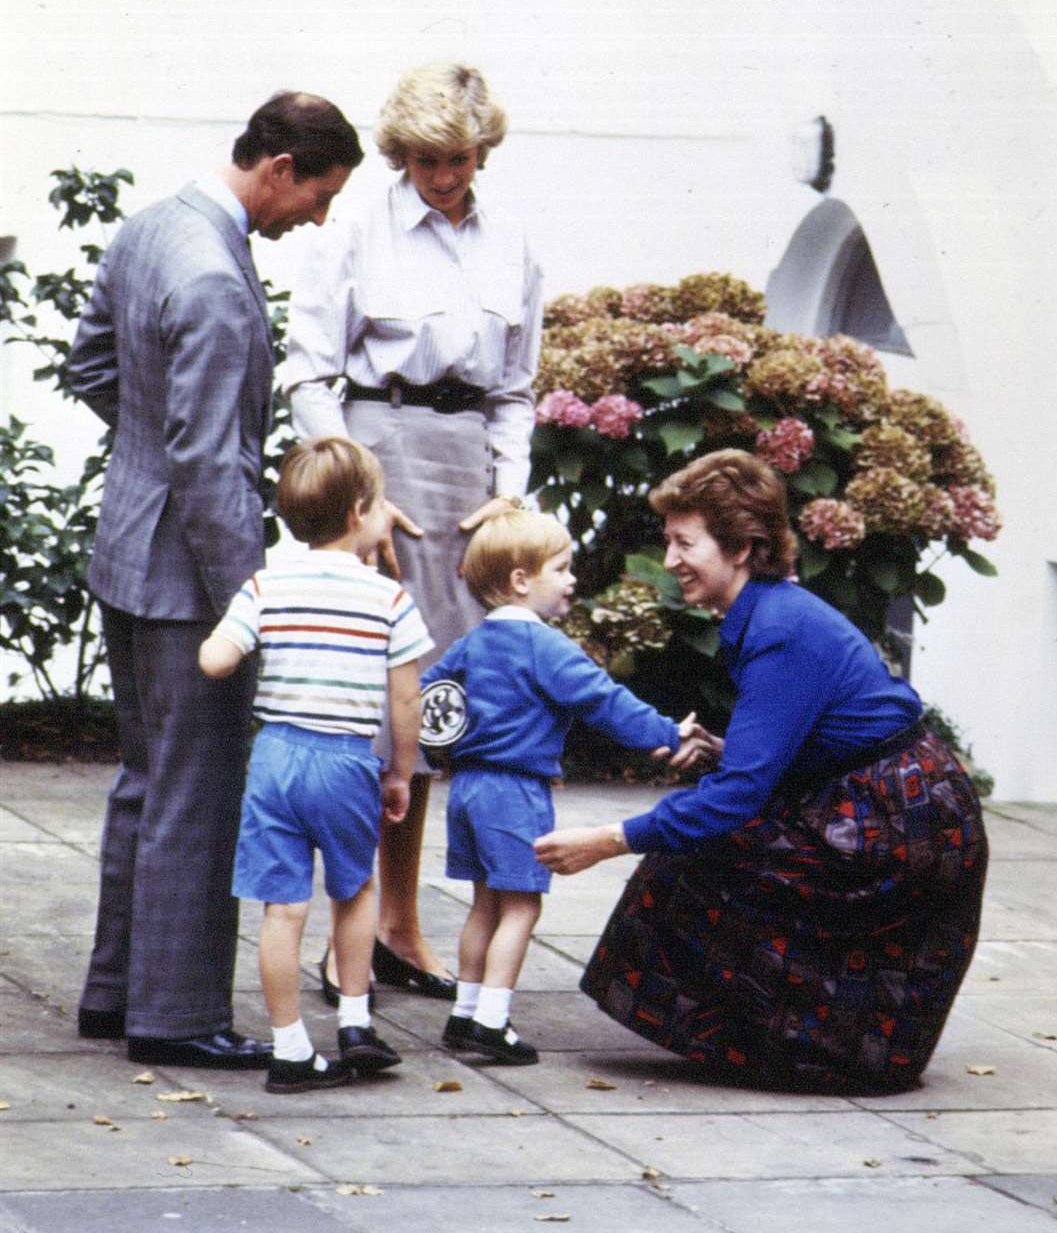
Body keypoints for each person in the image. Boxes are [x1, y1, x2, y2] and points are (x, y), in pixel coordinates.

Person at [536, 450, 990, 1095]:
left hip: (902, 826)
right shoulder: (774, 612)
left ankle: (816, 1050)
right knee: (702, 841)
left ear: (742, 548)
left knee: (693, 848)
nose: (671, 561)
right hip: (902, 809)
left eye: (684, 543)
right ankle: (812, 1044)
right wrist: (732, 751)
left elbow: (734, 800)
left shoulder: (778, 627)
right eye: (670, 542)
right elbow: (796, 744)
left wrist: (604, 840)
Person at [68, 92, 363, 1069]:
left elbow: (94, 368)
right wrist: (256, 599)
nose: (316, 217)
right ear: (276, 166)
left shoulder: (151, 228)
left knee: (145, 784)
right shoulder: (214, 280)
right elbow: (206, 463)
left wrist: (148, 458)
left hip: (129, 549)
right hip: (188, 578)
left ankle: (118, 991)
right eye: (318, 195)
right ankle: (174, 1012)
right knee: (197, 795)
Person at [282, 62, 542, 1003]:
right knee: (370, 703)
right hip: (375, 458)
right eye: (427, 159)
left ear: (483, 152)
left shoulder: (510, 236)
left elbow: (516, 387)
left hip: (468, 471)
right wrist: (357, 491)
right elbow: (309, 374)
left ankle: (401, 923)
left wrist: (509, 499)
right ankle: (344, 930)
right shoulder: (357, 225)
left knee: (439, 709)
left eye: (460, 158)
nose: (444, 176)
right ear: (401, 154)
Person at [422, 510, 703, 1065]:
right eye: (562, 568)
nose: (572, 579)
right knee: (522, 906)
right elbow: (603, 700)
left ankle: (464, 1011)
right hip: (516, 790)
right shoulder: (545, 647)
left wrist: (441, 747)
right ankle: (491, 1021)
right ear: (521, 580)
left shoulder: (472, 644)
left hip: (467, 789)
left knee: (484, 904)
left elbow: (432, 694)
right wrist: (667, 733)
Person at [199, 438, 431, 1093]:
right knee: (354, 889)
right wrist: (399, 770)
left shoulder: (266, 584)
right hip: (346, 759)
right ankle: (355, 1021)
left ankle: (291, 1046)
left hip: (274, 755)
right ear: (360, 510)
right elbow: (406, 697)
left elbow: (219, 657)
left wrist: (217, 646)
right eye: (383, 501)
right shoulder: (388, 599)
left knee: (282, 907)